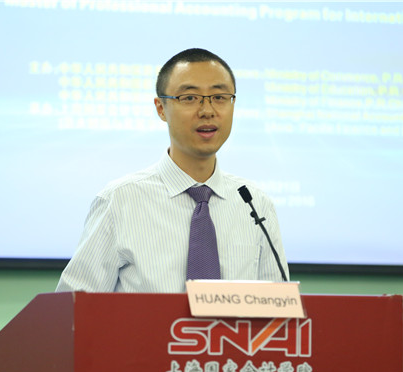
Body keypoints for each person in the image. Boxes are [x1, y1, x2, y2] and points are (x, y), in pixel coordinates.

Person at [56, 48, 288, 293]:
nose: (207, 111)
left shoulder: (255, 203)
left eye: (220, 97)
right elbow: (73, 305)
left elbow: (279, 307)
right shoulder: (120, 201)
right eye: (190, 98)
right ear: (160, 108)